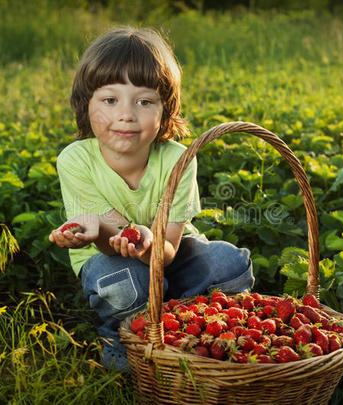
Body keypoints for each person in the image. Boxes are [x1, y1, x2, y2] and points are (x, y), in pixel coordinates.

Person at [49, 26, 254, 371]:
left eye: (144, 101)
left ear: (166, 110)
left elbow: (168, 250)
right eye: (110, 100)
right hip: (110, 260)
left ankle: (189, 323)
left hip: (169, 252)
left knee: (228, 263)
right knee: (128, 281)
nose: (126, 114)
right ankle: (123, 333)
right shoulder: (75, 160)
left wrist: (148, 245)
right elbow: (111, 242)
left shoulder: (178, 158)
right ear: (86, 105)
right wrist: (96, 229)